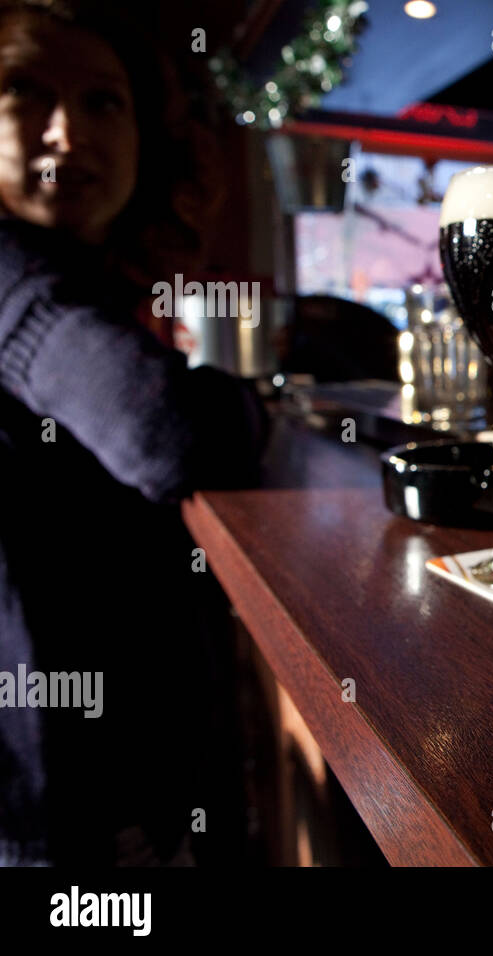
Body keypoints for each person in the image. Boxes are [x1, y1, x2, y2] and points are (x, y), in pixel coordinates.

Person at [0, 0, 267, 865]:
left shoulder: (74, 278)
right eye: (22, 92)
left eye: (103, 101)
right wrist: (248, 404)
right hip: (54, 815)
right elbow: (163, 430)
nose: (66, 132)